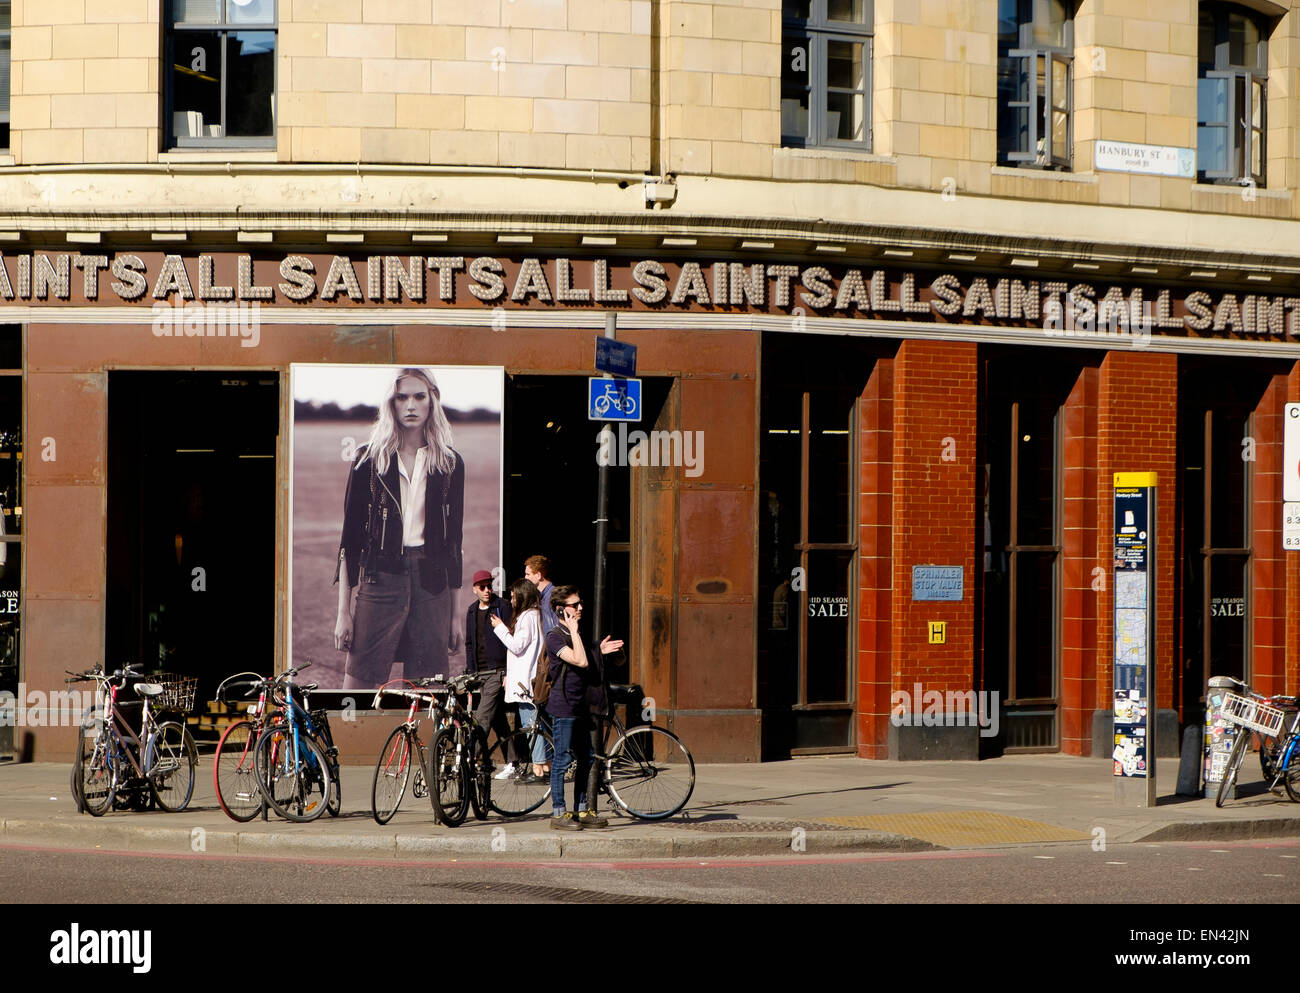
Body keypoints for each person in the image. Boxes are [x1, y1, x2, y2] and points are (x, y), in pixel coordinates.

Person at [333, 367, 465, 690]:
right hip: (381, 578)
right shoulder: (368, 460)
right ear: (390, 404)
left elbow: (454, 545)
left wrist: (454, 615)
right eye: (401, 397)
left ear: (432, 401)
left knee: (428, 694)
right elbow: (349, 541)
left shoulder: (449, 463)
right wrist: (343, 612)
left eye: (419, 396)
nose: (410, 405)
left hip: (432, 583)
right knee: (357, 686)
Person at [543, 585, 623, 830]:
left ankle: (581, 810)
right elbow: (579, 659)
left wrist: (599, 649)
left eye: (580, 603)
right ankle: (559, 813)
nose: (580, 608)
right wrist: (575, 632)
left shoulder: (576, 634)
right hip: (564, 705)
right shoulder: (554, 636)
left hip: (581, 704)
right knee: (562, 759)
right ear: (560, 610)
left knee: (586, 758)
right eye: (574, 605)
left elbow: (586, 655)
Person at [489, 577, 548, 781]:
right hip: (530, 677)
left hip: (526, 680)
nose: (511, 600)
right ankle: (545, 766)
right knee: (536, 723)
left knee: (531, 724)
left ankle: (539, 769)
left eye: (514, 596)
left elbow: (516, 646)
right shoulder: (536, 615)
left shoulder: (527, 617)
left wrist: (499, 627)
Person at [465, 569, 513, 764]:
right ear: (474, 589)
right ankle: (514, 761)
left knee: (483, 716)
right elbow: (469, 643)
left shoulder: (502, 606)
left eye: (489, 586)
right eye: (482, 587)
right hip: (480, 672)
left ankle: (469, 757)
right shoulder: (471, 610)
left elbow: (512, 640)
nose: (487, 590)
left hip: (498, 671)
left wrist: (508, 672)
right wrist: (471, 671)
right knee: (497, 718)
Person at [524, 554, 559, 635]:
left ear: (539, 575)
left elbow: (558, 627)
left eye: (528, 574)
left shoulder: (554, 596)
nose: (525, 578)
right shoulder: (536, 597)